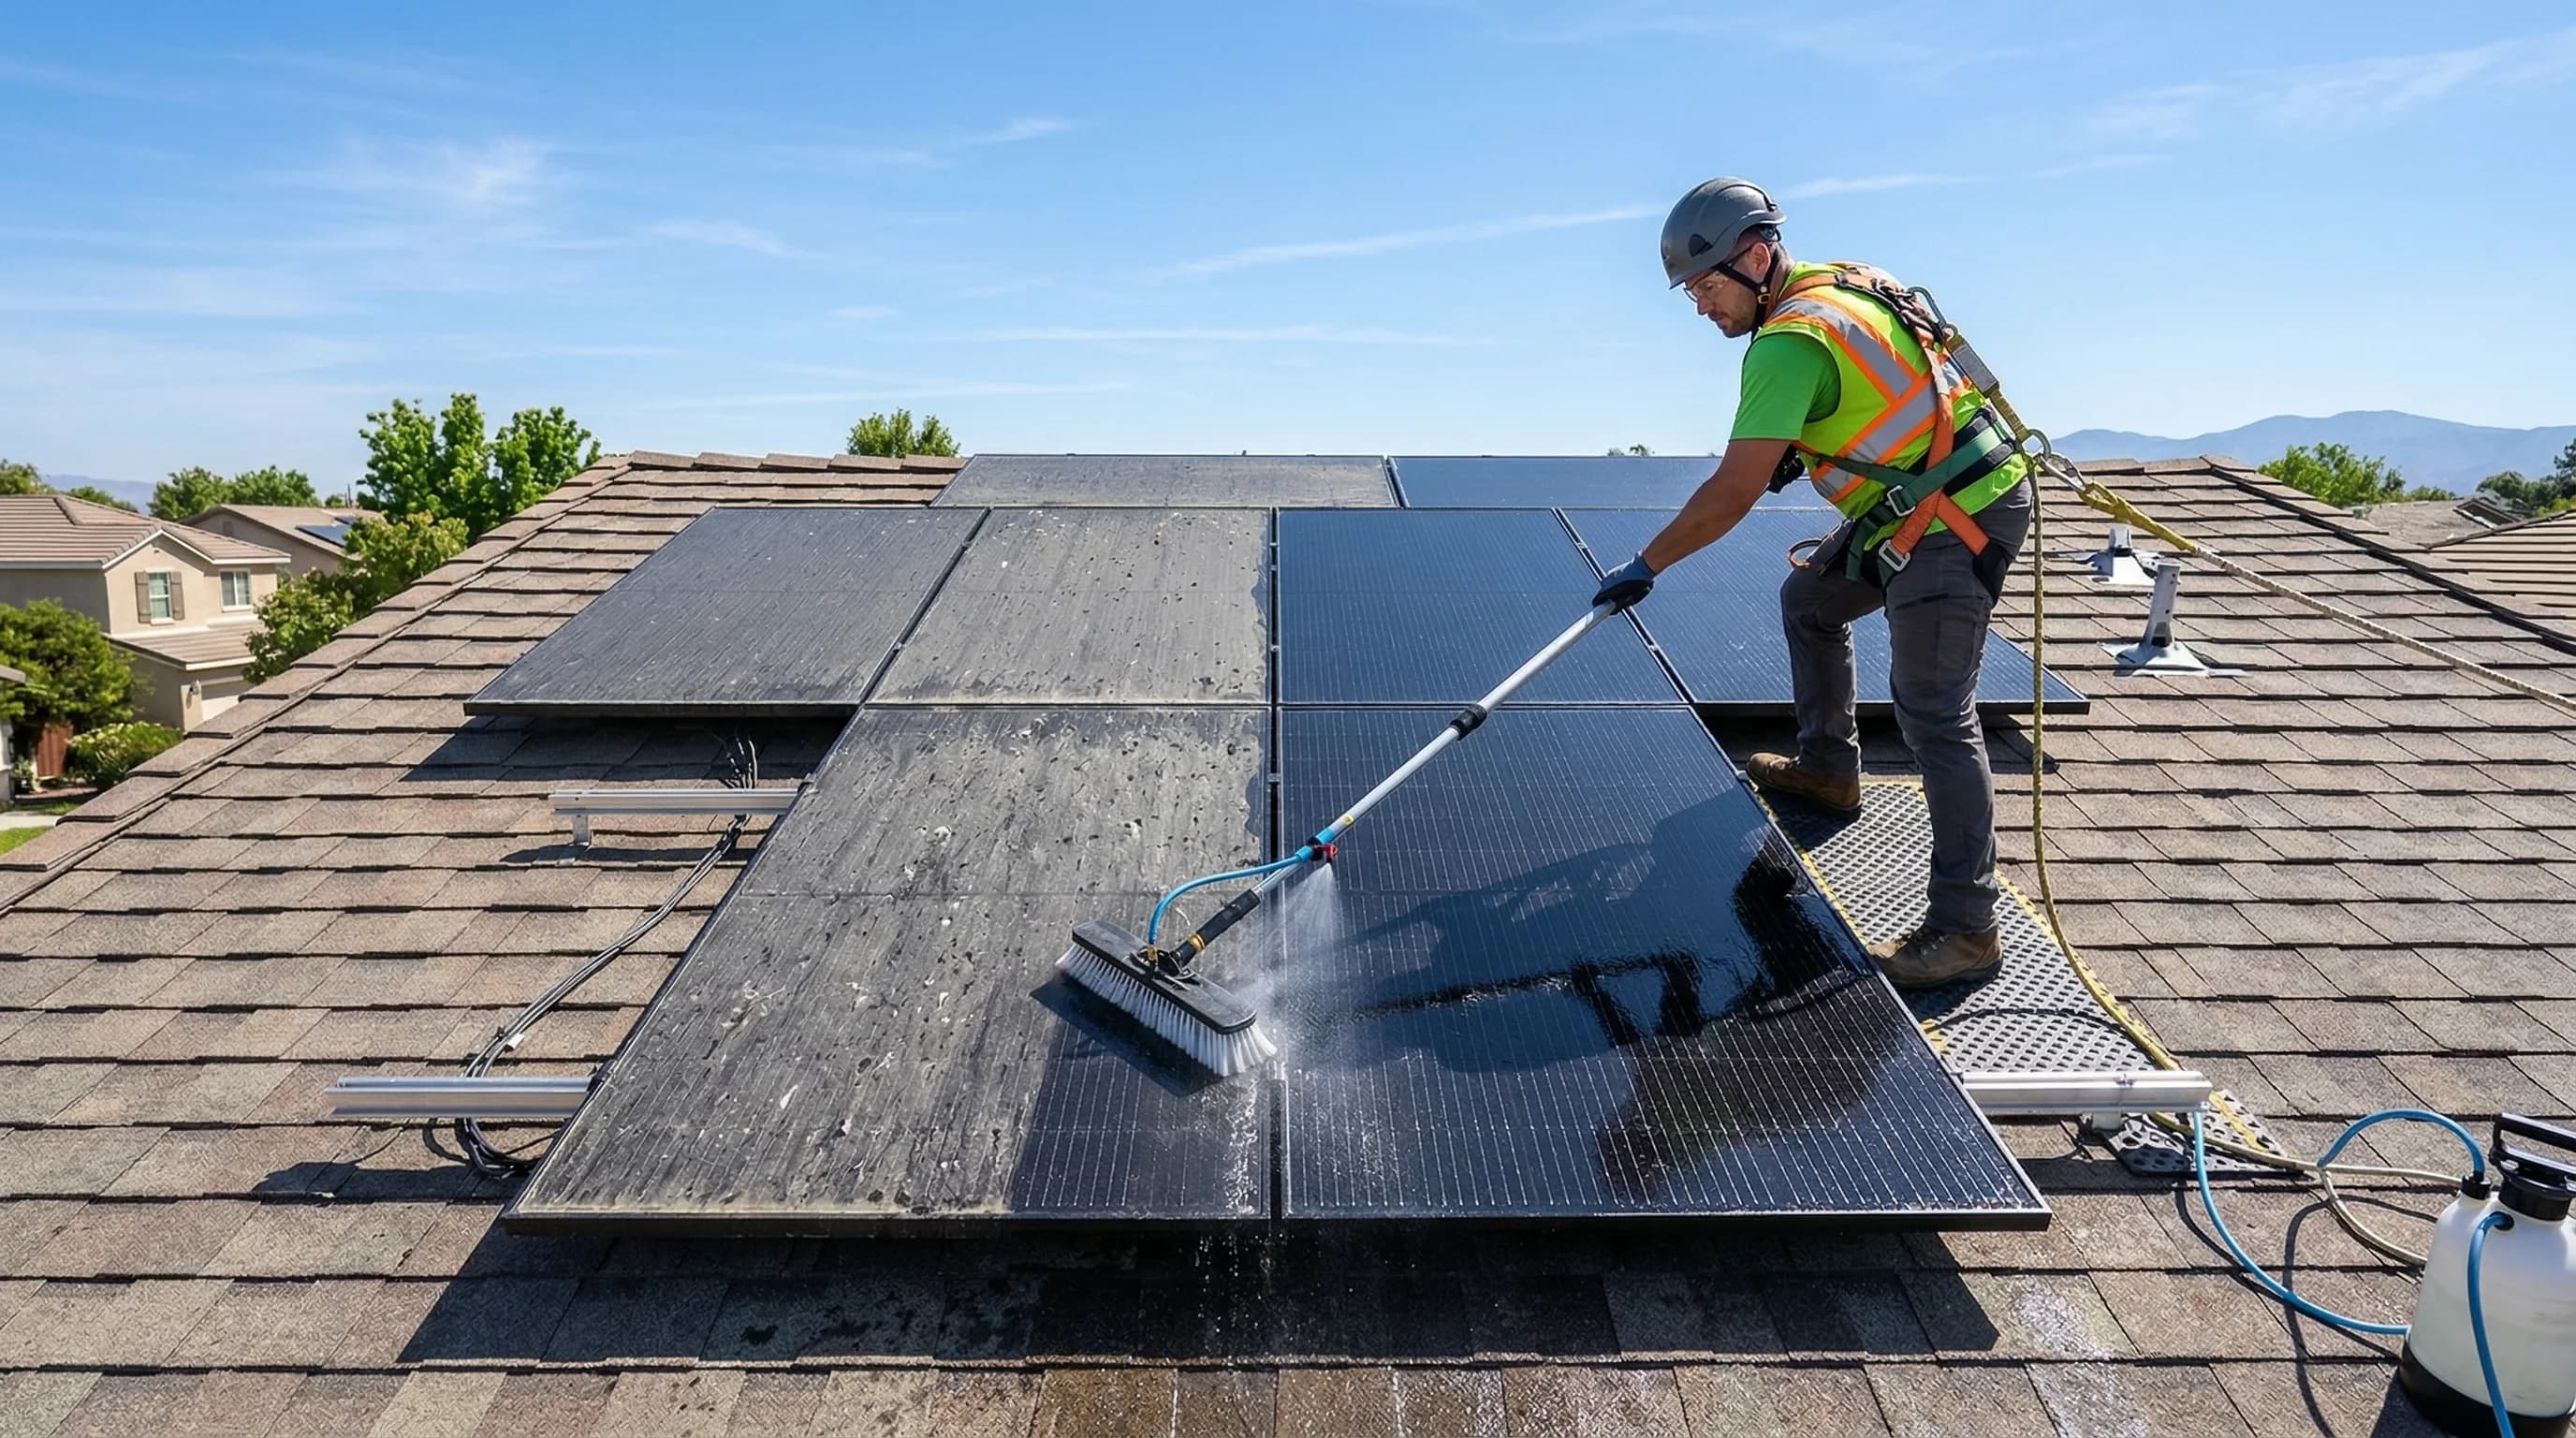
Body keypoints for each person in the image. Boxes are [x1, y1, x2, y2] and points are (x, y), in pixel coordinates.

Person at [1589, 176, 2034, 990]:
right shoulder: (1848, 283)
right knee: (1812, 602)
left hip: (1954, 516)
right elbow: (1886, 395)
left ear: (1757, 258)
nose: (1699, 306)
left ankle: (1967, 928)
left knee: (1935, 711)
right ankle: (1831, 770)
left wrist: (1648, 563)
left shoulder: (1789, 341)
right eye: (1690, 291)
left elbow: (1733, 491)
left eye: (1707, 285)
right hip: (1922, 495)